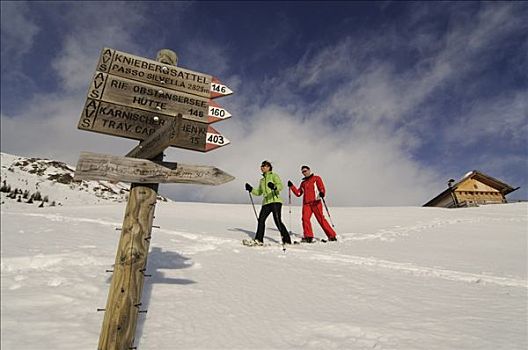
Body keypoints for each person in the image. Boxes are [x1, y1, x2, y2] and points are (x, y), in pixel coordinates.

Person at [245, 160, 292, 245]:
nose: (262, 167)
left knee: (277, 221)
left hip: (275, 201)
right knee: (261, 220)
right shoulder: (262, 180)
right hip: (266, 203)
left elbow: (280, 186)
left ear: (269, 167)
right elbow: (259, 192)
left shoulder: (274, 176)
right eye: (261, 166)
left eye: (264, 166)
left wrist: (274, 186)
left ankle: (287, 240)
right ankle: (259, 239)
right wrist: (251, 189)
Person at [288, 165, 337, 242]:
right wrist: (292, 186)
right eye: (303, 172)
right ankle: (308, 236)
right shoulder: (303, 183)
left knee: (321, 219)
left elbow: (321, 187)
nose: (304, 173)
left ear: (309, 170)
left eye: (305, 171)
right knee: (305, 219)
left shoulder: (316, 178)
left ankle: (332, 236)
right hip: (306, 204)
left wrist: (322, 193)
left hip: (315, 202)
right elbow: (298, 193)